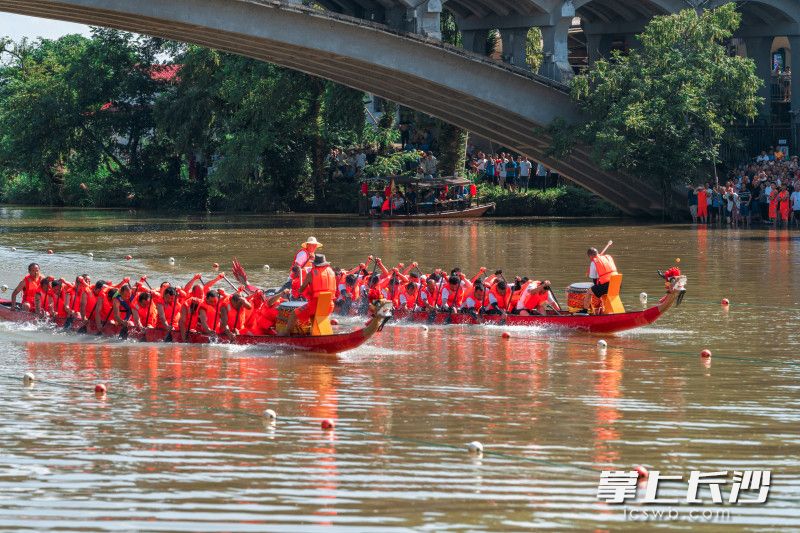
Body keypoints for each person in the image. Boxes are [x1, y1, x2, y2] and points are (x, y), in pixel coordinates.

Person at [283, 254, 336, 335]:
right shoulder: (331, 272)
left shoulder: (311, 274)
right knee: (313, 316)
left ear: (314, 264)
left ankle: (285, 334)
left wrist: (301, 289)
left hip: (315, 304)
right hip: (329, 304)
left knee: (294, 314)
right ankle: (315, 334)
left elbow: (301, 289)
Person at [584, 247, 619, 314]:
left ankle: (584, 312)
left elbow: (594, 279)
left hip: (607, 285)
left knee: (589, 292)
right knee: (599, 292)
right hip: (617, 283)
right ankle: (604, 312)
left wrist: (595, 290)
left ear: (590, 256)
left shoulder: (594, 262)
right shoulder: (607, 258)